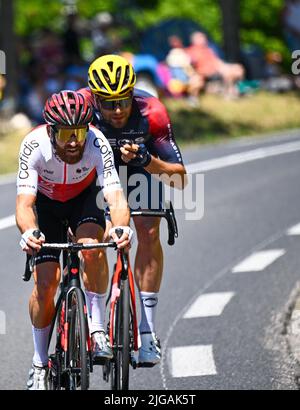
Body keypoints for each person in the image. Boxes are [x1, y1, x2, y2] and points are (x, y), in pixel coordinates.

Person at [16, 90, 133, 390]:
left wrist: (121, 228)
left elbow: (116, 197)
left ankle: (96, 329)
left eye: (79, 132)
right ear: (51, 130)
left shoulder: (96, 142)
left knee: (93, 250)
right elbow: (25, 205)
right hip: (46, 205)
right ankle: (40, 362)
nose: (73, 141)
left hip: (83, 199)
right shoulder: (34, 145)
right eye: (66, 133)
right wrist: (30, 232)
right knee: (46, 284)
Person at [79, 54, 187, 366]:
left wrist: (146, 160)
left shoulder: (151, 111)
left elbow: (180, 178)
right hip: (93, 175)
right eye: (108, 103)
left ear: (132, 95)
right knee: (91, 239)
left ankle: (148, 332)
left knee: (149, 230)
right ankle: (89, 318)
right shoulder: (82, 109)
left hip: (140, 171)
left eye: (123, 102)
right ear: (94, 98)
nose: (116, 111)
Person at [186, 31, 245, 99]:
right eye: (201, 37)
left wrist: (226, 66)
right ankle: (230, 92)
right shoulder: (192, 50)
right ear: (195, 40)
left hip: (215, 69)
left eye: (204, 37)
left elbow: (216, 61)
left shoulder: (207, 49)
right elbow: (191, 64)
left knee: (238, 68)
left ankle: (235, 90)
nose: (204, 39)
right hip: (205, 72)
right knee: (227, 72)